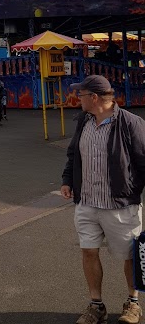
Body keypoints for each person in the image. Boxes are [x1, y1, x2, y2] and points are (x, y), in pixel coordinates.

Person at [61, 75, 145, 324]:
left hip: (120, 205)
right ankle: (96, 305)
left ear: (94, 97)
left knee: (129, 255)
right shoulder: (84, 121)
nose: (78, 98)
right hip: (86, 202)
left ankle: (133, 302)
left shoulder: (130, 123)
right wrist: (67, 179)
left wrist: (132, 192)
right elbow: (73, 154)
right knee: (88, 252)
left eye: (81, 95)